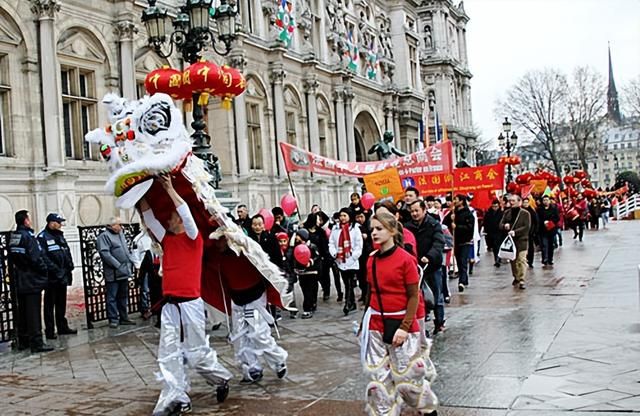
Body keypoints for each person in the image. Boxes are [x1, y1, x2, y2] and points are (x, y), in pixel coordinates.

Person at [140, 176, 233, 415]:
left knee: (196, 351)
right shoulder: (167, 240)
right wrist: (137, 194)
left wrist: (170, 188)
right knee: (168, 351)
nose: (168, 219)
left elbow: (187, 214)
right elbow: (149, 218)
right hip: (170, 305)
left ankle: (221, 378)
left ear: (179, 220)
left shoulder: (194, 239)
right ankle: (177, 397)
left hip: (191, 304)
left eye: (171, 217)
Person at [359, 212, 438, 415]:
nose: (374, 233)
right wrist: (363, 325)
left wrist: (404, 327)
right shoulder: (371, 260)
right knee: (379, 380)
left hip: (402, 324)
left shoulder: (406, 260)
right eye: (372, 229)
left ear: (392, 231)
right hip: (376, 324)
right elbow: (370, 294)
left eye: (379, 228)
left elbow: (414, 297)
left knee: (407, 378)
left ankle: (427, 408)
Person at [210, 236, 288, 384]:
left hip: (255, 297)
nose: (217, 243)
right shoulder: (217, 257)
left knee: (259, 334)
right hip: (237, 300)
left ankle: (278, 362)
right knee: (239, 338)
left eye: (219, 240)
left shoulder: (244, 249)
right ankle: (252, 368)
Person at [8, 210, 53, 353]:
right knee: (33, 313)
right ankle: (36, 342)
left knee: (23, 311)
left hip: (20, 278)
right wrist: (43, 270)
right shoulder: (28, 236)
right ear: (26, 221)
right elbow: (35, 258)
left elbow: (14, 257)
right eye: (29, 218)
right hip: (31, 279)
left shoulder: (14, 236)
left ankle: (23, 340)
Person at [405, 200, 446, 334]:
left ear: (424, 210)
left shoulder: (434, 224)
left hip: (432, 265)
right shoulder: (407, 227)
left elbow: (439, 242)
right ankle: (422, 320)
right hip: (415, 266)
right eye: (412, 211)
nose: (414, 214)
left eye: (417, 211)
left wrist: (429, 256)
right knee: (419, 295)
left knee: (437, 294)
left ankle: (439, 322)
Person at [37, 213, 77, 340]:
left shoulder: (60, 236)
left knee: (61, 303)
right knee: (49, 305)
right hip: (52, 277)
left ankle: (62, 327)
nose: (60, 225)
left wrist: (69, 265)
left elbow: (66, 251)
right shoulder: (43, 237)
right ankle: (49, 330)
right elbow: (44, 257)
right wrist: (56, 270)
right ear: (51, 223)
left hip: (63, 276)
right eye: (58, 222)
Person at [96, 217, 136, 328]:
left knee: (123, 295)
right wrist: (117, 265)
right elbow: (105, 254)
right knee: (112, 296)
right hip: (113, 272)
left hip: (124, 270)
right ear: (111, 226)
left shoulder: (120, 233)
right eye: (119, 224)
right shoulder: (104, 236)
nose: (121, 226)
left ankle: (124, 317)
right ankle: (113, 318)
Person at [329, 207, 363, 315]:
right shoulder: (335, 229)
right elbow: (331, 243)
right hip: (340, 259)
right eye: (341, 216)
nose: (342, 218)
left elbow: (358, 244)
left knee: (350, 282)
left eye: (345, 215)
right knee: (346, 282)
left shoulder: (355, 228)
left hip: (351, 259)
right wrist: (335, 254)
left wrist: (354, 256)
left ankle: (348, 303)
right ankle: (351, 302)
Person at [442, 194, 474, 293]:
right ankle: (464, 278)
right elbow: (444, 223)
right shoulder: (453, 212)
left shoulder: (468, 214)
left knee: (463, 260)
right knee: (459, 261)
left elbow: (469, 228)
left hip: (465, 241)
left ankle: (462, 281)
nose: (454, 201)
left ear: (461, 201)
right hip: (455, 241)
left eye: (456, 199)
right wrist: (450, 219)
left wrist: (458, 227)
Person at [499, 195, 531, 290]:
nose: (511, 202)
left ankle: (522, 279)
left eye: (513, 200)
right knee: (513, 261)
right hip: (511, 242)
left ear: (519, 202)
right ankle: (516, 277)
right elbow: (500, 224)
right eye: (510, 200)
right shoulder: (507, 213)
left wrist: (516, 232)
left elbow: (526, 227)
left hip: (522, 240)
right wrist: (505, 226)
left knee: (521, 259)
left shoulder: (525, 213)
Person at [291, 229, 321, 318]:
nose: (296, 237)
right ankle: (311, 304)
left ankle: (307, 309)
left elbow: (317, 257)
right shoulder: (296, 247)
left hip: (311, 272)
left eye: (298, 235)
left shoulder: (312, 246)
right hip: (302, 273)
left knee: (309, 291)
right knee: (304, 290)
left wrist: (310, 262)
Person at [302, 213, 331, 301]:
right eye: (318, 219)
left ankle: (326, 290)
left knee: (323, 277)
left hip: (320, 258)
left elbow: (325, 245)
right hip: (308, 258)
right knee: (312, 281)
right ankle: (312, 299)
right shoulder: (305, 231)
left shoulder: (321, 232)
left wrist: (325, 256)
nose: (319, 221)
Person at [537, 195, 560, 267]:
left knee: (551, 245)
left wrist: (551, 222)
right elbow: (537, 219)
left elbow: (557, 218)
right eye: (544, 200)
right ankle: (545, 259)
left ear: (549, 201)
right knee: (544, 245)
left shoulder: (554, 209)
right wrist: (543, 222)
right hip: (543, 230)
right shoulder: (539, 209)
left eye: (547, 200)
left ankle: (550, 259)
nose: (545, 202)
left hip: (551, 230)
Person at [355, 208, 372, 303]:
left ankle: (368, 294)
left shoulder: (369, 226)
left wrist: (367, 236)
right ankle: (363, 292)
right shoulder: (355, 227)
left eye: (361, 217)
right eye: (357, 217)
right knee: (360, 276)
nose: (359, 219)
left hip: (367, 253)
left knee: (367, 275)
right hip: (358, 255)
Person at [483, 200, 505, 267]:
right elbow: (485, 222)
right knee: (494, 247)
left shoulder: (502, 213)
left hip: (499, 232)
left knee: (498, 246)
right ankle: (497, 258)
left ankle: (498, 259)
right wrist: (486, 230)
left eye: (496, 206)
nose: (495, 208)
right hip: (491, 232)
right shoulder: (488, 213)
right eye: (493, 206)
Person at [523, 197, 539, 268]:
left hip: (530, 232)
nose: (525, 204)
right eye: (524, 202)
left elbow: (536, 222)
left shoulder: (532, 211)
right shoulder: (521, 211)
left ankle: (530, 260)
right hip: (522, 233)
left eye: (527, 202)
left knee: (530, 247)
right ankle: (524, 259)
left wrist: (534, 231)